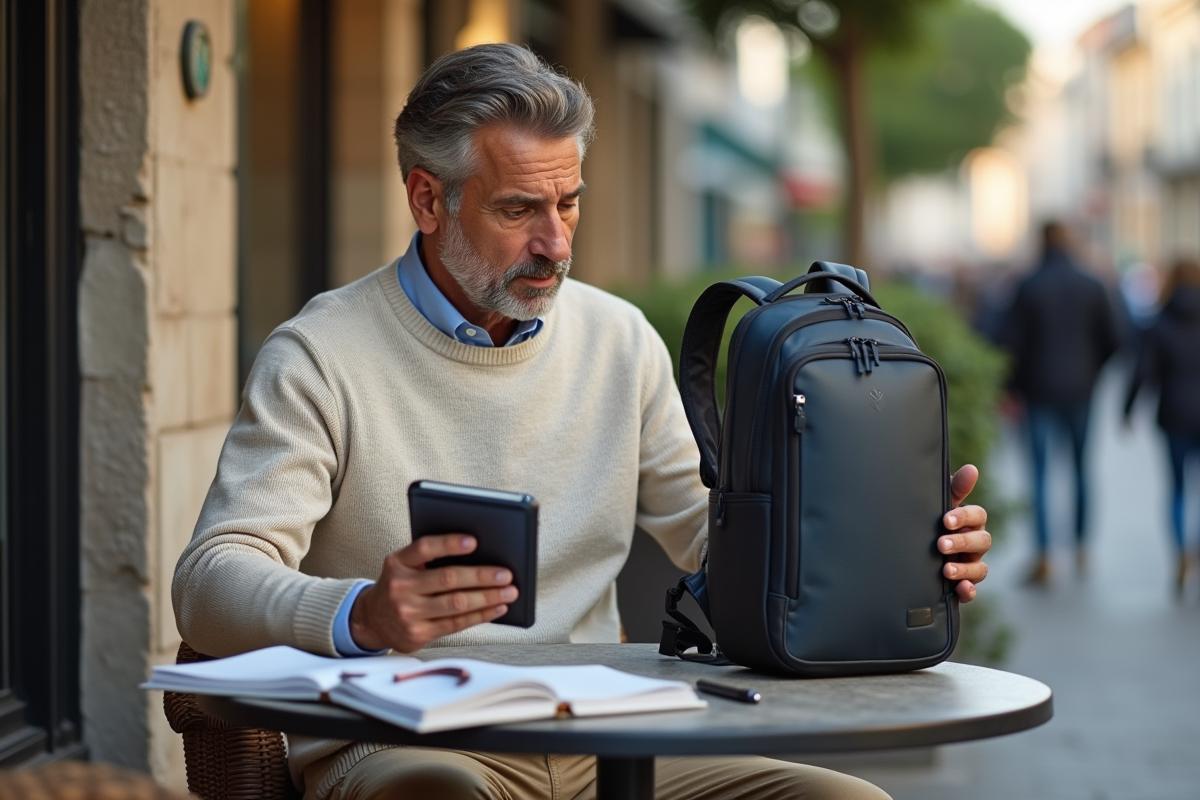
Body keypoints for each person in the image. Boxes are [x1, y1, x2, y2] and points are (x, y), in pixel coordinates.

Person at [173, 44, 993, 800]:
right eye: (520, 209)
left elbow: (720, 539)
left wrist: (887, 558)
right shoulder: (320, 353)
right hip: (407, 743)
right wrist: (360, 613)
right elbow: (209, 578)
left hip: (611, 737)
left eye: (570, 202)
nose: (557, 243)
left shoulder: (618, 338)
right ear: (428, 199)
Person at [1002, 221, 1123, 583]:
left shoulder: (1028, 285)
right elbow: (1116, 338)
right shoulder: (1091, 284)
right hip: (1081, 391)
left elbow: (1011, 343)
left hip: (1038, 392)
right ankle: (1082, 548)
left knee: (1038, 474)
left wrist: (1012, 386)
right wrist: (1092, 371)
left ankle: (1044, 555)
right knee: (1081, 469)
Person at [1123, 258, 1200, 595]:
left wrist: (1126, 409)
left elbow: (1143, 370)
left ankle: (1180, 553)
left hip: (1174, 415)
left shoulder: (1159, 322)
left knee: (1178, 488)